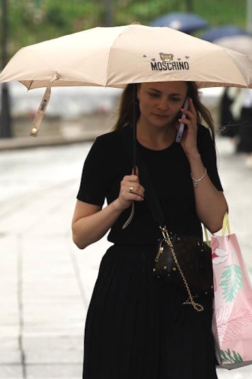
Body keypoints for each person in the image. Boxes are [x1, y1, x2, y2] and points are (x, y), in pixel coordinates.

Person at [72, 81, 228, 378]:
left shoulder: (199, 142)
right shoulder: (108, 149)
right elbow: (80, 234)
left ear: (187, 103)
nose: (162, 106)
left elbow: (215, 219)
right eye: (154, 95)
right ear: (136, 94)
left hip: (185, 288)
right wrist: (118, 204)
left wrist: (193, 155)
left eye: (173, 98)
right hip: (126, 288)